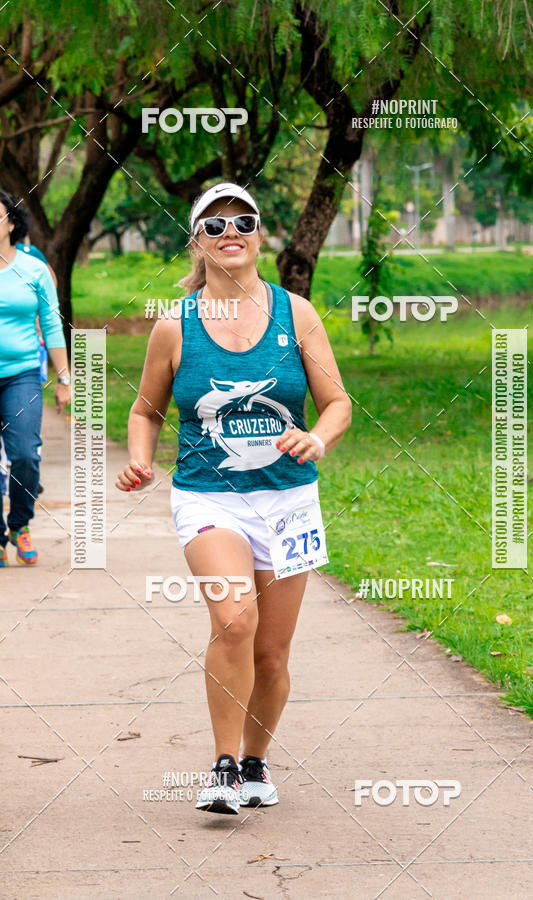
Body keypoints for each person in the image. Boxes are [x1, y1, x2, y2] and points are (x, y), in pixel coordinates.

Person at [116, 182, 351, 814]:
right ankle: (222, 769)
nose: (230, 233)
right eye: (214, 226)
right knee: (234, 621)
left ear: (259, 235)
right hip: (208, 499)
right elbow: (145, 412)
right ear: (197, 241)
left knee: (272, 655)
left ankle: (255, 764)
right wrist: (140, 458)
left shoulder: (296, 314)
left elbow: (337, 403)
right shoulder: (174, 326)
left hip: (289, 501)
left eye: (242, 221)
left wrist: (318, 439)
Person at [0, 190, 71, 566]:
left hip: (22, 375)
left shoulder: (34, 270)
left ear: (12, 223)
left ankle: (20, 524)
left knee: (25, 454)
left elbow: (51, 324)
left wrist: (64, 378)